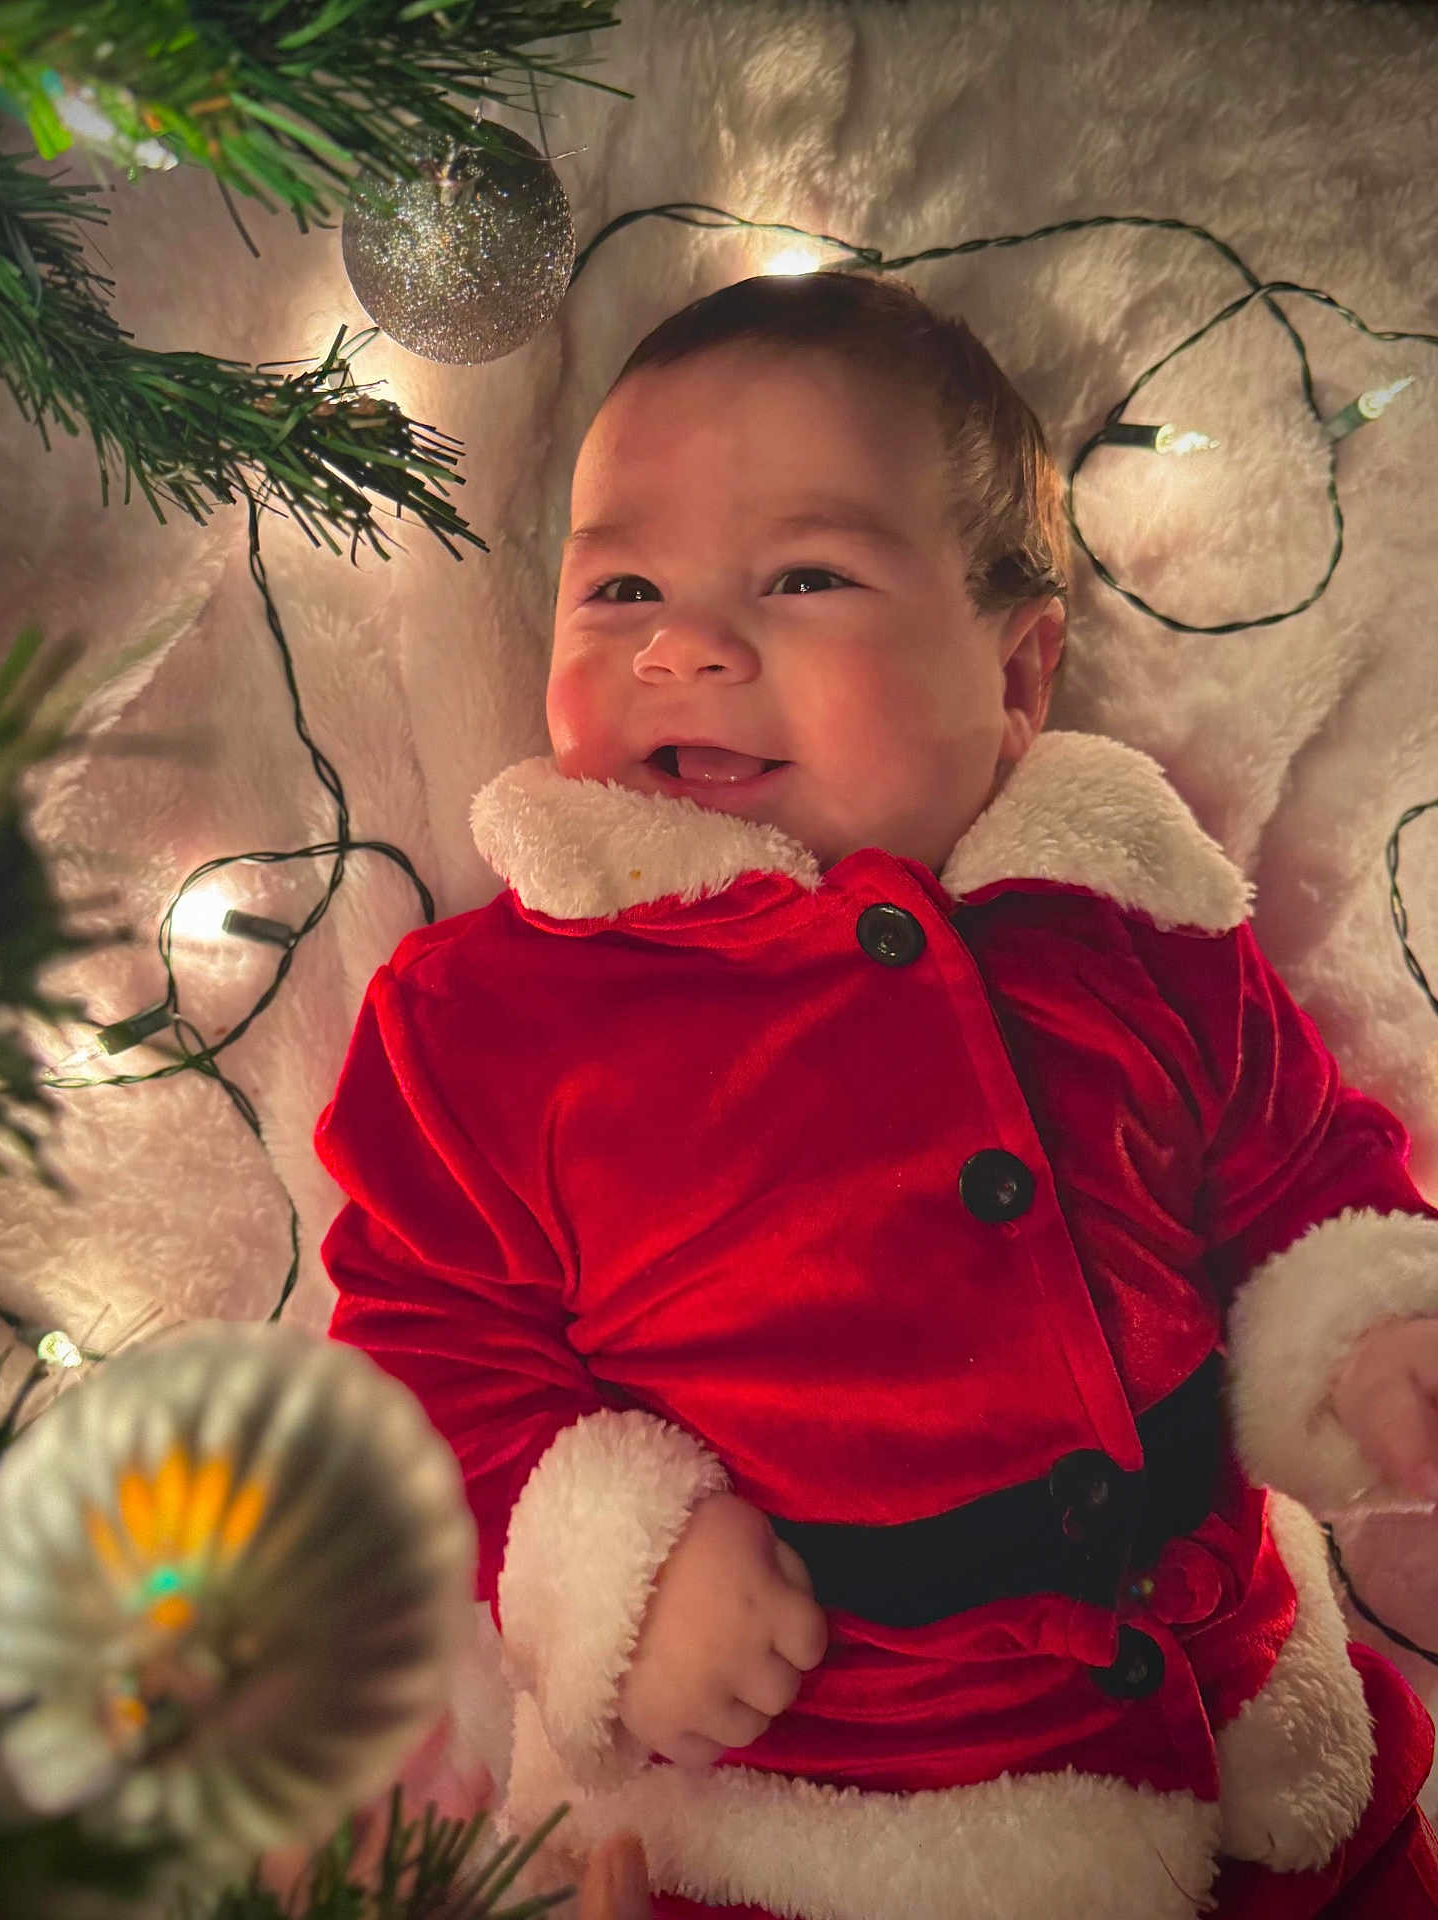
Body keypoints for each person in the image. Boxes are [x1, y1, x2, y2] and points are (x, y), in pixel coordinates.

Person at [314, 271, 1438, 1918]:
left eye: (803, 576)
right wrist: (606, 1569)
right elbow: (421, 1360)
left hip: (1258, 1737)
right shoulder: (504, 1009)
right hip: (834, 1806)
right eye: (619, 587)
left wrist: (1371, 1331)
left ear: (1017, 676)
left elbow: (1293, 1173)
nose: (684, 645)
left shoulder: (1127, 917)